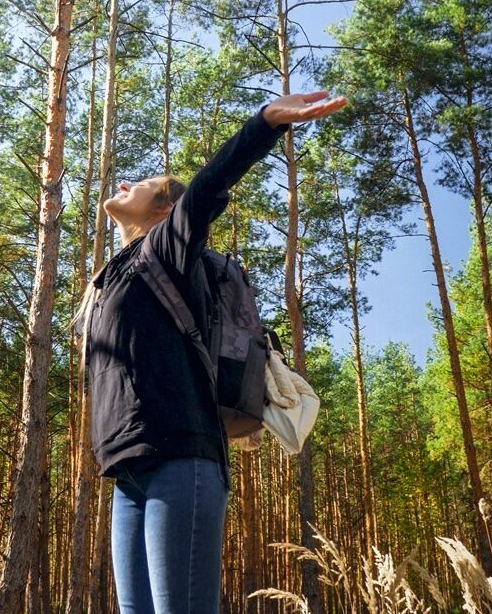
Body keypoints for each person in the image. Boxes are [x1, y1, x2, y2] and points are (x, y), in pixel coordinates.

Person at [74, 90, 348, 614]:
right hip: (126, 469)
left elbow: (206, 191)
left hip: (182, 457)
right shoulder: (111, 277)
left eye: (144, 183)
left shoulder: (165, 250)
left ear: (166, 210)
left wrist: (265, 123)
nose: (126, 182)